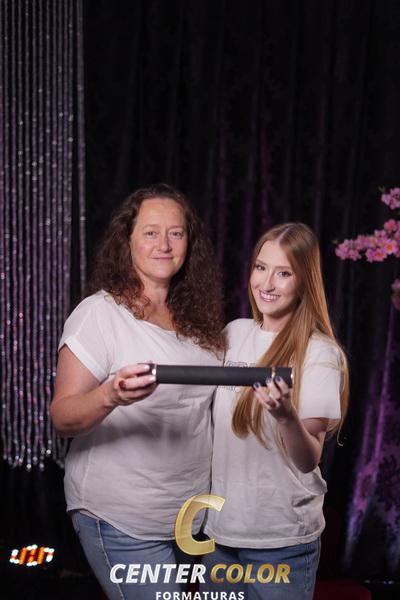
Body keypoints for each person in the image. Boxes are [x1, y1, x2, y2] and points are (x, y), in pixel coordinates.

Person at [50, 183, 225, 599]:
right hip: (120, 517)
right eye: (150, 232)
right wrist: (109, 396)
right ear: (126, 241)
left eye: (176, 233)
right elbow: (62, 416)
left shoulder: (198, 318)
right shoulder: (100, 314)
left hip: (189, 518)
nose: (164, 244)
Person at [202, 222, 349, 599]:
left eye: (284, 273)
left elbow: (308, 459)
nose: (266, 283)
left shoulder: (319, 353)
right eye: (261, 267)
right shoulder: (233, 334)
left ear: (304, 282)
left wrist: (286, 416)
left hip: (282, 541)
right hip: (220, 536)